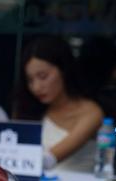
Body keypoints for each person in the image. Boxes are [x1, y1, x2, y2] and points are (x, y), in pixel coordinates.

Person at [13, 37, 104, 173]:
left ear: (63, 70)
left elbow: (50, 158)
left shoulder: (91, 112)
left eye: (43, 76)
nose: (36, 87)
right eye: (30, 80)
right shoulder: (29, 110)